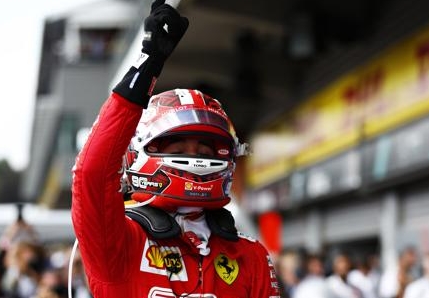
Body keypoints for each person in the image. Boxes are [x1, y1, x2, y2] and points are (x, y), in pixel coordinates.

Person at [70, 0, 281, 297]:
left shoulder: (251, 255)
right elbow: (91, 172)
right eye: (179, 146)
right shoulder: (119, 243)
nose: (193, 158)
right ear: (139, 150)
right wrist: (146, 66)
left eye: (204, 151)